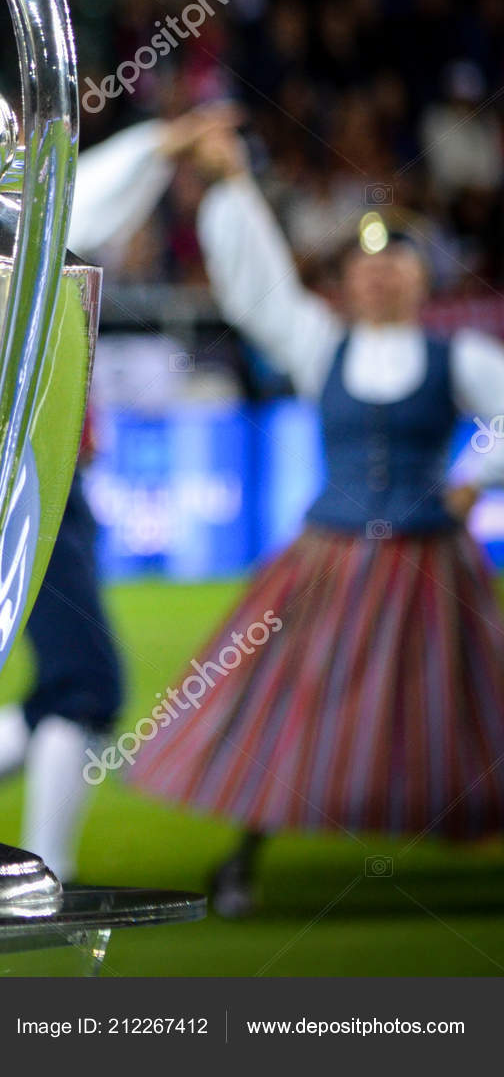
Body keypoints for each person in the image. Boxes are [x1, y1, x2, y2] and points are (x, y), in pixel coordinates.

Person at [127, 125, 504, 915]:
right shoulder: (319, 345)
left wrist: (476, 480)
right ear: (347, 280)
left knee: (463, 708)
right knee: (287, 699)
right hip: (331, 558)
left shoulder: (455, 359)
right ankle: (245, 856)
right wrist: (231, 186)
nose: (378, 277)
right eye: (365, 266)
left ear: (420, 279)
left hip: (430, 561)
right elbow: (259, 290)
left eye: (395, 262)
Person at [0, 104, 240, 882]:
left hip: (37, 483)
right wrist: (163, 141)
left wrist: (160, 148)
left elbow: (84, 203)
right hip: (26, 486)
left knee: (66, 683)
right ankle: (45, 864)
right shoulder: (9, 242)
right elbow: (80, 202)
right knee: (88, 683)